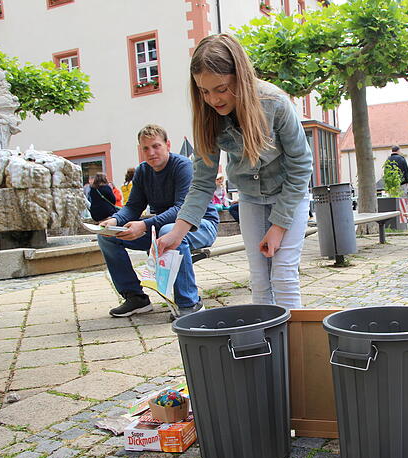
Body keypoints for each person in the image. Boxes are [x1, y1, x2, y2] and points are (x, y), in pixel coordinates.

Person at [156, 33, 313, 310]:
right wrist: (177, 233)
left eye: (220, 88)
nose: (213, 99)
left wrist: (278, 227)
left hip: (290, 196)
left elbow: (301, 166)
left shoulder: (275, 103)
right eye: (204, 91)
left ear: (240, 78)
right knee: (260, 279)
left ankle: (292, 349)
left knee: (284, 275)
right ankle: (268, 346)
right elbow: (202, 183)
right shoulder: (208, 117)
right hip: (251, 198)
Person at [97, 124, 219, 318]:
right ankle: (135, 298)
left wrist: (144, 225)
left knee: (169, 231)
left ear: (167, 145)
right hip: (161, 228)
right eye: (145, 148)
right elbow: (133, 206)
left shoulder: (183, 166)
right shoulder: (143, 171)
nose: (151, 152)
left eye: (156, 146)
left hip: (200, 224)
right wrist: (114, 220)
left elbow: (182, 208)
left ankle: (190, 303)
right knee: (107, 238)